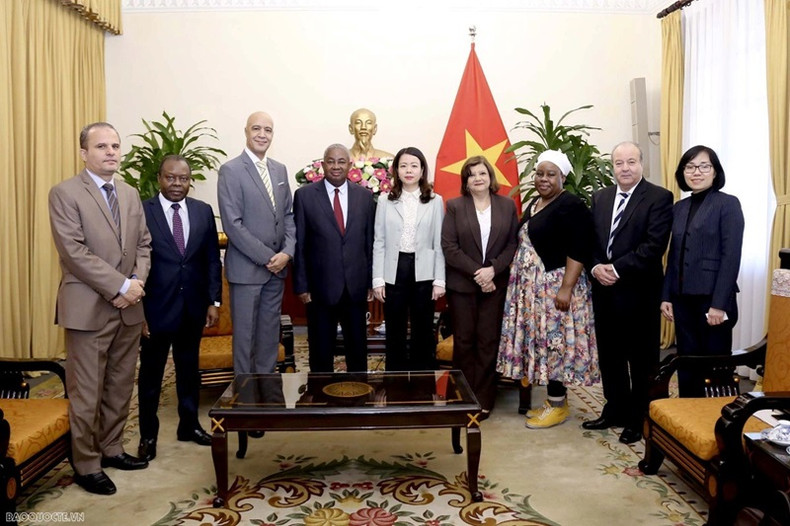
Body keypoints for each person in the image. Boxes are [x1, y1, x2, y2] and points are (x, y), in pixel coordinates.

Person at [48, 122, 152, 495]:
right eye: (101, 146)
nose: (111, 152)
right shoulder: (65, 193)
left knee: (120, 386)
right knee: (87, 392)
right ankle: (87, 463)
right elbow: (73, 252)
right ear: (84, 153)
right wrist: (120, 286)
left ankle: (111, 448)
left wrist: (135, 284)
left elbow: (143, 245)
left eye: (115, 146)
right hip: (88, 309)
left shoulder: (129, 193)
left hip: (129, 308)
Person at [496, 150, 599, 429]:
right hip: (535, 292)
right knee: (544, 343)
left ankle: (557, 406)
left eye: (551, 174)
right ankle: (556, 402)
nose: (544, 179)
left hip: (555, 289)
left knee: (555, 345)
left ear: (563, 177)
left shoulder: (571, 204)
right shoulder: (536, 202)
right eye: (539, 173)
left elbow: (579, 247)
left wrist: (566, 288)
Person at [583, 141, 673, 444]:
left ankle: (639, 417)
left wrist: (615, 269)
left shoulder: (659, 197)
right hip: (604, 291)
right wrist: (596, 267)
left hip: (639, 292)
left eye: (631, 162)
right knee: (610, 356)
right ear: (613, 166)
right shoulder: (601, 197)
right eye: (619, 163)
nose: (625, 168)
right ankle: (615, 409)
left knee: (641, 358)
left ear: (641, 164)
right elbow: (592, 241)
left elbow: (653, 246)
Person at [137, 155, 222, 462]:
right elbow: (133, 261)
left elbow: (212, 259)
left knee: (188, 371)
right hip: (156, 309)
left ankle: (189, 425)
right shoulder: (142, 211)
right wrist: (138, 311)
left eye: (183, 179)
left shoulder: (202, 211)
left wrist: (213, 301)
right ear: (159, 178)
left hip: (192, 307)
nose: (177, 184)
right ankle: (148, 435)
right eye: (170, 178)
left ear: (190, 181)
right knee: (151, 376)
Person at [660, 145, 744, 397]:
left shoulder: (727, 204)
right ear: (683, 172)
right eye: (690, 167)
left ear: (715, 171)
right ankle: (688, 411)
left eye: (704, 166)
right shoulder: (679, 207)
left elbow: (731, 257)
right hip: (682, 298)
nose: (696, 172)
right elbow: (673, 255)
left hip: (712, 300)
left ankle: (717, 415)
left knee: (715, 365)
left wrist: (719, 304)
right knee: (687, 362)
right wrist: (666, 296)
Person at [217, 111, 296, 374]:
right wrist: (268, 258)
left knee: (269, 337)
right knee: (245, 340)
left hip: (277, 270)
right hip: (247, 272)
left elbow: (288, 215)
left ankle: (267, 389)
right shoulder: (230, 170)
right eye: (256, 129)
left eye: (268, 130)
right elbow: (233, 224)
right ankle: (245, 393)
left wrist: (287, 252)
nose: (262, 135)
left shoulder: (279, 169)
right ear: (246, 131)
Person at [442, 156, 519, 416]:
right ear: (466, 181)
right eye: (472, 174)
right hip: (463, 286)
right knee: (464, 342)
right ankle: (461, 397)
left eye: (482, 173)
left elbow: (512, 244)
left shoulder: (506, 205)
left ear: (490, 177)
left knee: (488, 341)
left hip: (495, 286)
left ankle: (484, 398)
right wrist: (479, 274)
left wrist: (492, 270)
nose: (477, 178)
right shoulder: (455, 206)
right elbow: (449, 247)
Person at [293, 144, 376, 372]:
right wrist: (301, 285)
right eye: (331, 161)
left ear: (350, 165)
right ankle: (320, 394)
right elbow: (299, 243)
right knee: (321, 354)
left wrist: (370, 281)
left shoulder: (365, 197)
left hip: (355, 287)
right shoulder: (305, 196)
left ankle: (358, 393)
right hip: (319, 289)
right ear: (323, 164)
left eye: (341, 161)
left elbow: (369, 242)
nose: (336, 166)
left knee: (357, 353)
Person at [372, 147, 446, 371]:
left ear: (422, 170)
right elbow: (379, 241)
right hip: (394, 270)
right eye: (403, 166)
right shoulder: (385, 200)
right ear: (396, 171)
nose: (409, 170)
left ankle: (422, 382)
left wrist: (439, 279)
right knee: (394, 329)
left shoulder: (435, 201)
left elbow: (438, 242)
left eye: (414, 165)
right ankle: (395, 381)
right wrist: (377, 279)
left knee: (423, 329)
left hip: (425, 271)